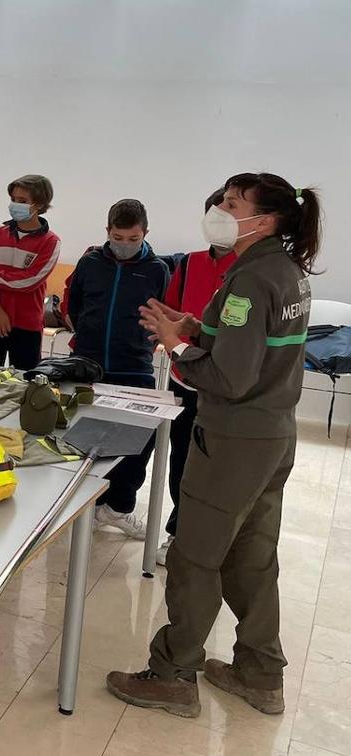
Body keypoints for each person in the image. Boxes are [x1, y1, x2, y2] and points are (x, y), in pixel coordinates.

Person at [108, 173, 319, 720]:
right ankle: (260, 672)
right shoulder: (284, 270)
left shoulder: (250, 281)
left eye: (231, 203)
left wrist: (178, 347)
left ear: (264, 219)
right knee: (252, 556)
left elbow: (231, 377)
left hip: (233, 440)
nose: (219, 210)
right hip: (273, 434)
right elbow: (251, 346)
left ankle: (173, 674)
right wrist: (195, 327)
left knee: (196, 556)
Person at [62, 199, 169, 540]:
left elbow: (163, 314)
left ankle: (118, 506)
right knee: (81, 439)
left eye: (133, 238)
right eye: (118, 237)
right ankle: (80, 505)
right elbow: (74, 304)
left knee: (137, 441)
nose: (125, 245)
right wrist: (86, 334)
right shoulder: (90, 262)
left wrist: (141, 342)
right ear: (107, 232)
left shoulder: (157, 269)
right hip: (88, 363)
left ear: (145, 234)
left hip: (134, 366)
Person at [156, 188, 238, 566]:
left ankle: (215, 540)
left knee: (218, 468)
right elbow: (175, 310)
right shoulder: (188, 263)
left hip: (224, 386)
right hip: (184, 377)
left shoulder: (250, 271)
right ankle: (178, 531)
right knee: (182, 461)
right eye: (213, 214)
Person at [0, 174, 61, 371]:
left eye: (22, 201)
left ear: (39, 205)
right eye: (13, 199)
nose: (15, 205)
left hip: (26, 324)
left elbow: (30, 281)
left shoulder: (50, 242)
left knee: (24, 385)